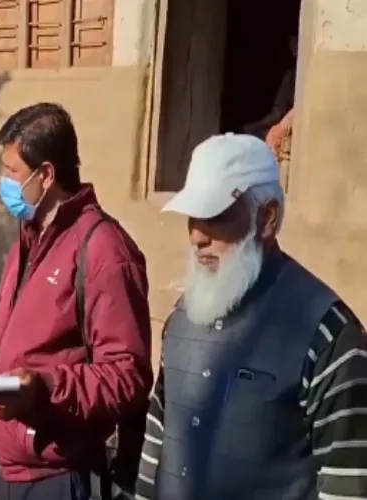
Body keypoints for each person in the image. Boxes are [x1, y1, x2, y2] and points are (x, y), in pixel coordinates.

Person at [0, 102, 153, 500]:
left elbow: (127, 377)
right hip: (12, 475)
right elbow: (35, 348)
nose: (4, 182)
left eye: (12, 172)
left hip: (59, 478)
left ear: (45, 175)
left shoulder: (103, 251)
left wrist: (44, 389)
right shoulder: (30, 239)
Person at [135, 134, 367, 500]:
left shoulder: (328, 333)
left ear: (267, 217)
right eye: (193, 216)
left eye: (215, 216)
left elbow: (347, 483)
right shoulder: (182, 318)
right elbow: (158, 436)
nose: (197, 235)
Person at [242, 31, 298, 148]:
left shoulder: (305, 75)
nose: (291, 45)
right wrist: (254, 126)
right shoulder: (290, 75)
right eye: (290, 41)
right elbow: (277, 112)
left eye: (294, 40)